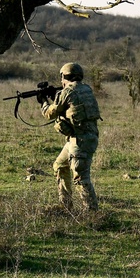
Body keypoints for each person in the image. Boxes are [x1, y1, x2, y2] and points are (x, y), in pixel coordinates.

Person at [41, 62, 101, 212]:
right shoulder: (86, 89)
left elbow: (50, 113)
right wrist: (56, 96)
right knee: (60, 166)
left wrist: (43, 102)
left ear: (64, 76)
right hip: (82, 138)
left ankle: (92, 213)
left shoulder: (66, 92)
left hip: (80, 141)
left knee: (81, 177)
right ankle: (66, 207)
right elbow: (73, 104)